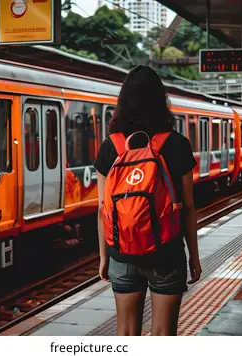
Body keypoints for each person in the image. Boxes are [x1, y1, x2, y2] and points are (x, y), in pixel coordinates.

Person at [94, 65, 201, 336]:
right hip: (166, 253)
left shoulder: (110, 147)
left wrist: (104, 258)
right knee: (163, 335)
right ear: (160, 100)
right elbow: (188, 207)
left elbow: (103, 209)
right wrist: (194, 257)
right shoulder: (177, 144)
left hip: (122, 254)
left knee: (126, 333)